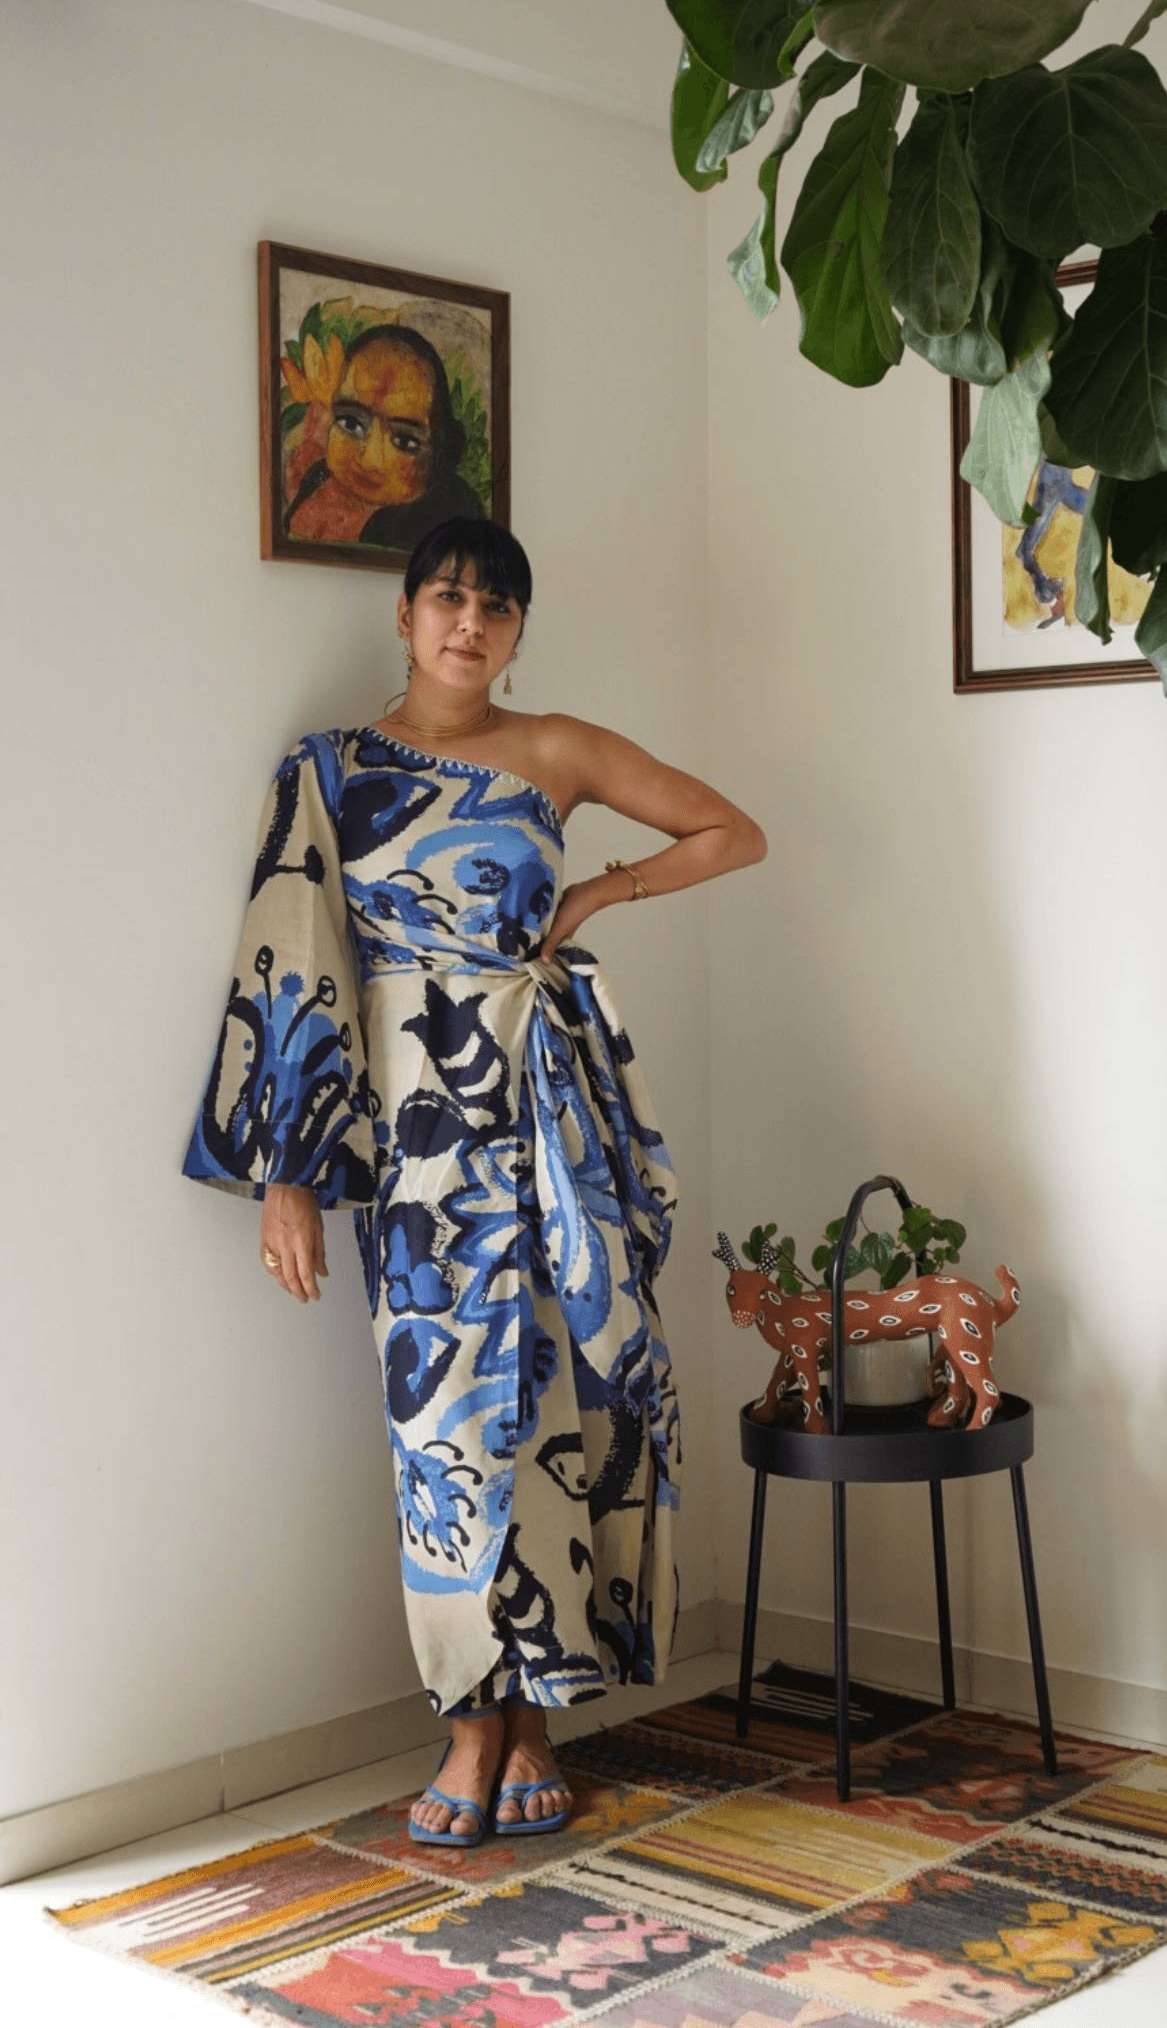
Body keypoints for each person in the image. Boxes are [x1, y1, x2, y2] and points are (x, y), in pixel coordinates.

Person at [184, 517, 766, 1845]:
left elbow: (732, 832)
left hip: (553, 1120)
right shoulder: (329, 769)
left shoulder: (558, 749)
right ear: (403, 615)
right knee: (442, 1419)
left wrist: (598, 895)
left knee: (561, 1392)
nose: (470, 622)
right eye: (447, 597)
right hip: (417, 1142)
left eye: (496, 606)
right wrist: (286, 1175)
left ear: (516, 631)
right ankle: (469, 1717)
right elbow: (292, 959)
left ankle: (541, 1712)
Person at [283, 324, 485, 550]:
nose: (370, 459)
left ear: (438, 451)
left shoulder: (440, 520)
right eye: (351, 424)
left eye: (404, 442)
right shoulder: (317, 477)